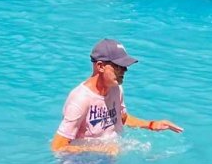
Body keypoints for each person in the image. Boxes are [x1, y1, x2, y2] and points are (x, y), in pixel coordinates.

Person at [50, 39, 183, 153]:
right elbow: (58, 146)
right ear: (100, 66)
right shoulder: (80, 99)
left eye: (125, 66)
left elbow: (122, 118)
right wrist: (101, 150)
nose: (125, 70)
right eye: (119, 66)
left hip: (108, 160)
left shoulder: (116, 89)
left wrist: (151, 125)